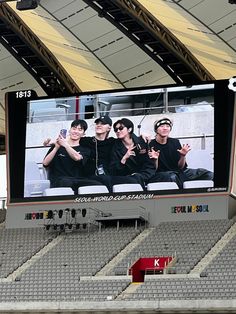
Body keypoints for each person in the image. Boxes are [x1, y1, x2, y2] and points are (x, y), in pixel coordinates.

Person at [147, 117, 214, 188]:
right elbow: (153, 170)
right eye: (162, 126)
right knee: (173, 177)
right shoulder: (150, 144)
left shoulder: (175, 142)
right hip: (161, 174)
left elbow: (181, 167)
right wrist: (155, 159)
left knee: (206, 173)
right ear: (156, 129)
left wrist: (183, 156)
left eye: (168, 126)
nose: (165, 128)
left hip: (179, 172)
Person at [43, 119, 103, 194]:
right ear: (69, 130)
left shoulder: (85, 150)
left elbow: (77, 158)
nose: (76, 131)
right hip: (60, 180)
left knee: (98, 185)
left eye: (80, 130)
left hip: (78, 180)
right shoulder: (57, 146)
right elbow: (45, 163)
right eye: (74, 128)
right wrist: (56, 147)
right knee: (66, 183)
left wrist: (66, 145)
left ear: (83, 133)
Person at [110, 118, 156, 190]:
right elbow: (114, 170)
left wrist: (141, 176)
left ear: (129, 129)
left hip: (144, 176)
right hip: (126, 178)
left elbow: (149, 165)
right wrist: (124, 159)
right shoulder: (114, 146)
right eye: (116, 130)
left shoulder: (142, 141)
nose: (118, 131)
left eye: (121, 128)